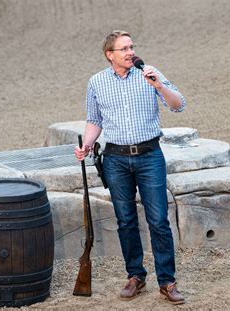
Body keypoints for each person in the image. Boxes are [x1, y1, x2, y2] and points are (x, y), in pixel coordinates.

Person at [75, 30, 186, 305]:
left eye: (131, 47)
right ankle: (135, 276)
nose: (130, 52)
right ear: (109, 54)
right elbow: (94, 120)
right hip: (115, 160)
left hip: (150, 157)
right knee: (125, 221)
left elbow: (178, 104)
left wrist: (159, 85)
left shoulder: (149, 74)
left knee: (159, 220)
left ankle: (167, 282)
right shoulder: (97, 82)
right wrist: (87, 145)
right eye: (123, 48)